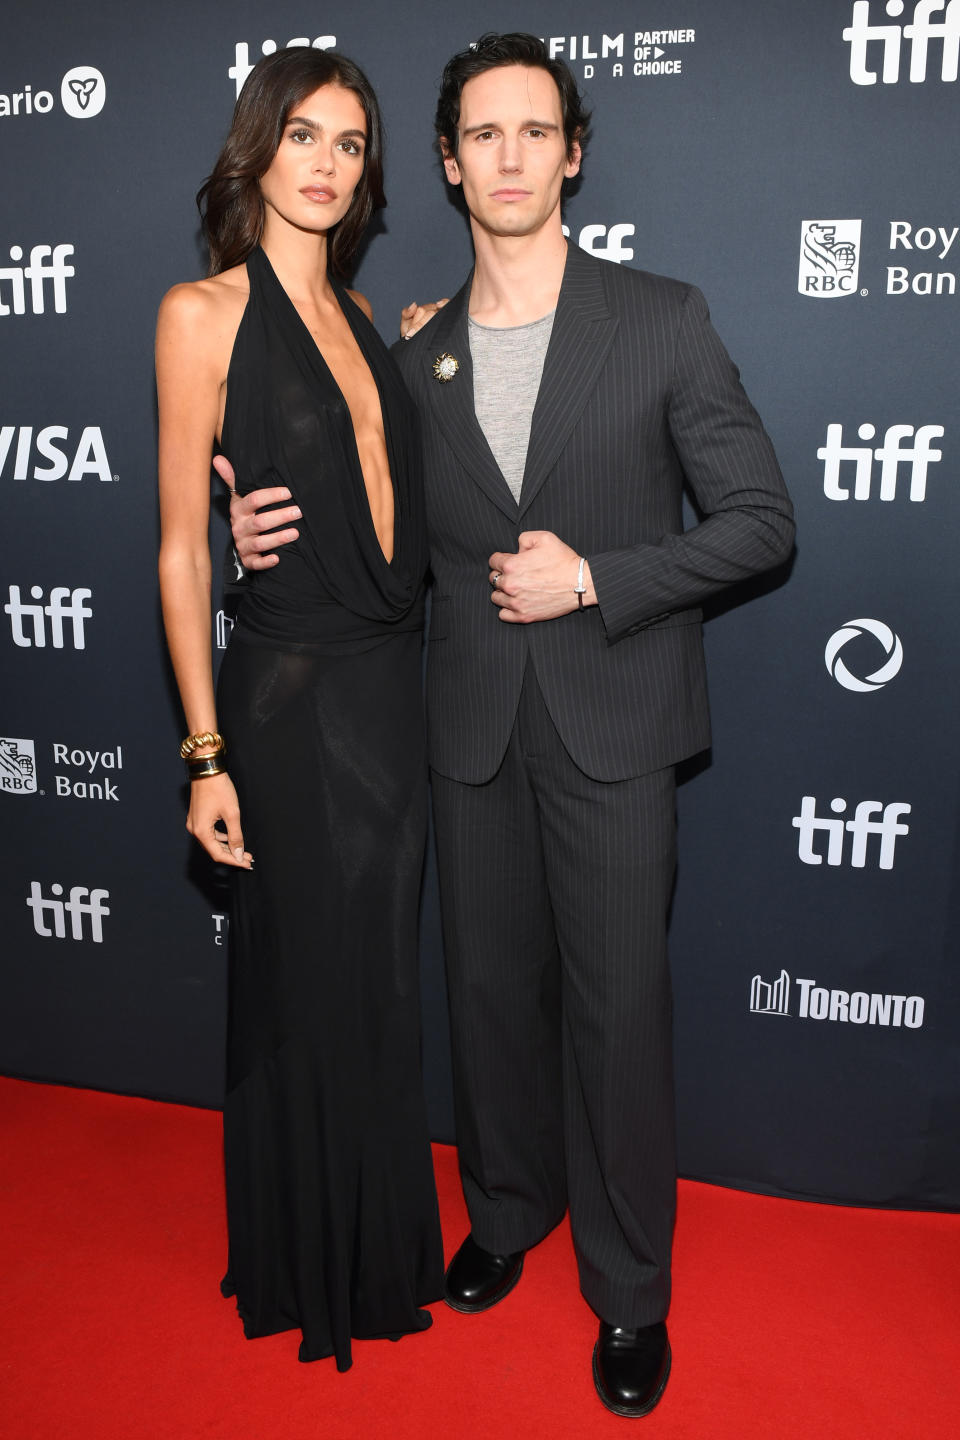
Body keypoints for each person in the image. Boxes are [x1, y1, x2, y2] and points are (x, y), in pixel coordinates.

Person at [227, 33, 795, 1416]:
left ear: (575, 151)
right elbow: (372, 536)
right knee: (485, 1006)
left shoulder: (663, 316)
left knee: (618, 1020)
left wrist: (599, 575)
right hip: (465, 731)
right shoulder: (407, 355)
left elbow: (763, 523)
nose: (510, 157)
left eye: (535, 131)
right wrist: (243, 539)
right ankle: (506, 1210)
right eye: (482, 135)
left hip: (615, 725)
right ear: (447, 162)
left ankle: (630, 1293)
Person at [155, 48, 443, 1371]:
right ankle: (308, 1257)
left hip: (391, 685)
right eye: (306, 137)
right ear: (257, 150)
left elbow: (369, 468)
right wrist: (202, 754)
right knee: (308, 984)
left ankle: (379, 1243)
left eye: (350, 144)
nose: (328, 163)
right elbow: (178, 548)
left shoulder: (373, 315)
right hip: (287, 698)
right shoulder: (202, 314)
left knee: (378, 982)